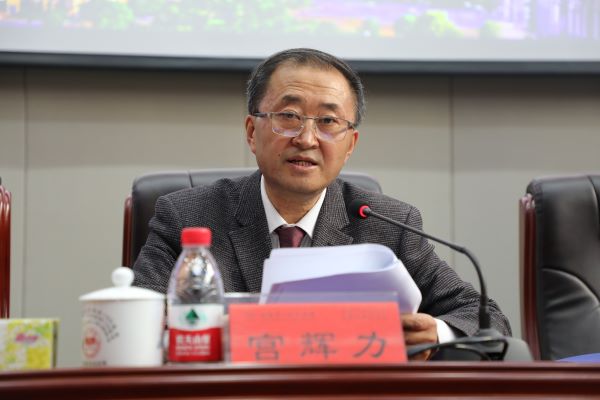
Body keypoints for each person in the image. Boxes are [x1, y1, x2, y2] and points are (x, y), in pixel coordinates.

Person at [133, 48, 511, 360]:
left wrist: (437, 332)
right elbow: (140, 322)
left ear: (350, 145)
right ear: (251, 132)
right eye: (289, 117)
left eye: (328, 121)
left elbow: (488, 320)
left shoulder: (388, 224)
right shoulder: (187, 217)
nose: (307, 138)